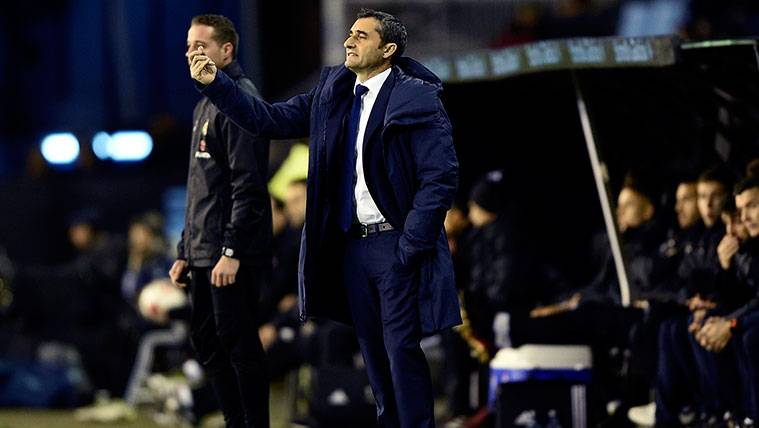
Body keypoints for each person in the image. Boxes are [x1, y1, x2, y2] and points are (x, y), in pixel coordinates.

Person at [189, 8, 460, 427]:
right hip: (352, 248)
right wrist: (217, 85)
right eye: (349, 32)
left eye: (362, 36)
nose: (349, 40)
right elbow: (268, 119)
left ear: (387, 49)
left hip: (395, 245)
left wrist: (411, 245)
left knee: (401, 349)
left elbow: (439, 178)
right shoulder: (333, 91)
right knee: (373, 351)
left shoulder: (416, 97)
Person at [169, 14, 271, 428]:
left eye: (202, 46)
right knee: (209, 342)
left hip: (230, 255)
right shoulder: (203, 104)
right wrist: (185, 251)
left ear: (226, 51)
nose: (193, 53)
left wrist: (231, 250)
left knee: (239, 344)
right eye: (189, 46)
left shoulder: (241, 99)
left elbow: (249, 185)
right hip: (204, 253)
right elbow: (201, 190)